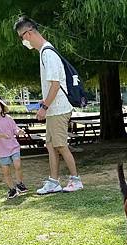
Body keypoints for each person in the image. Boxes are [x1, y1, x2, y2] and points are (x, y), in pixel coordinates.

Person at [13, 16, 83, 195]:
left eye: (22, 37)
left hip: (58, 108)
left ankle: (76, 180)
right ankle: (53, 181)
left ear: (28, 34)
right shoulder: (45, 52)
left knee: (60, 145)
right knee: (51, 145)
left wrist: (44, 107)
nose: (23, 41)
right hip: (53, 108)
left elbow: (55, 84)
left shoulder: (48, 53)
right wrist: (44, 106)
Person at [0, 92, 28, 200]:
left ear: (2, 106)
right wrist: (2, 135)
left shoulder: (8, 118)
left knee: (18, 165)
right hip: (2, 150)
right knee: (6, 171)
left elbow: (15, 129)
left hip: (14, 146)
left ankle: (20, 183)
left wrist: (20, 131)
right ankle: (12, 189)